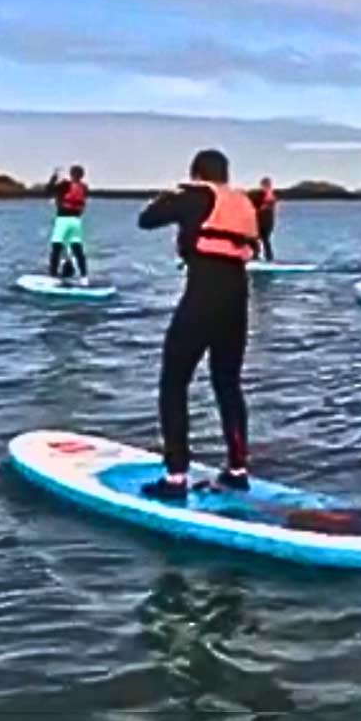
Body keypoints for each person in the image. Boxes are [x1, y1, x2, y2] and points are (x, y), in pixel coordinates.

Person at [136, 149, 258, 499]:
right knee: (228, 383)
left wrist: (173, 195)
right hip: (238, 298)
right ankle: (237, 470)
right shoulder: (244, 202)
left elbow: (147, 219)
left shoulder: (193, 197)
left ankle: (175, 476)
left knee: (173, 381)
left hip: (203, 295)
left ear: (196, 173)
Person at [46, 165, 90, 282]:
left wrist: (54, 177)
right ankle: (84, 276)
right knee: (77, 248)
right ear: (82, 175)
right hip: (75, 221)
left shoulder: (65, 184)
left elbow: (48, 190)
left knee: (56, 247)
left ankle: (53, 276)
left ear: (71, 174)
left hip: (63, 220)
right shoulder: (84, 187)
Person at [250, 177, 278, 262]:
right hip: (263, 222)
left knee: (262, 240)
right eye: (265, 185)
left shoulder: (269, 197)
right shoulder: (261, 195)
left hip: (265, 222)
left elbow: (264, 207)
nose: (266, 186)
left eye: (267, 185)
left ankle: (264, 258)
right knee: (257, 240)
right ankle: (257, 256)